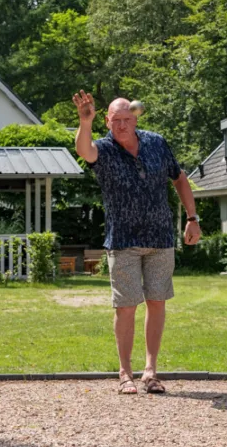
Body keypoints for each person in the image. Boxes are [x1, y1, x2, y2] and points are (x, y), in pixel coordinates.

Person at [72, 90, 201, 395]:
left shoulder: (156, 143)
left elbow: (179, 177)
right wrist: (84, 121)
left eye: (127, 119)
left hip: (160, 237)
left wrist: (192, 218)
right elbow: (83, 151)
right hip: (123, 240)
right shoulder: (102, 149)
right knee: (126, 307)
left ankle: (151, 371)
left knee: (157, 303)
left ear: (136, 118)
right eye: (116, 120)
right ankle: (124, 373)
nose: (122, 125)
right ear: (107, 120)